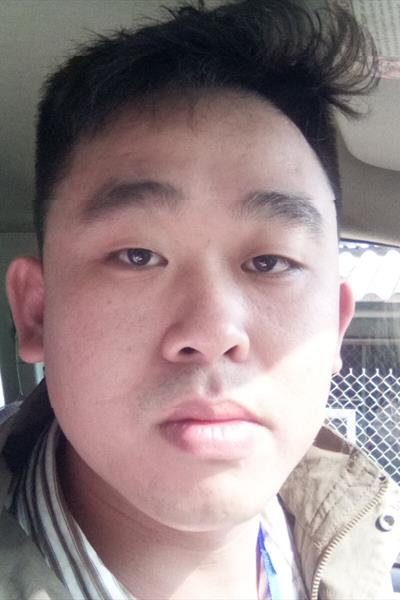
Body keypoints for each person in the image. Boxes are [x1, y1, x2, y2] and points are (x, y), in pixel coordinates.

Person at [1, 0, 399, 598]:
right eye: (138, 256)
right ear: (37, 311)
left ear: (335, 327)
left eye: (270, 263)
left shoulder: (375, 559)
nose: (213, 331)